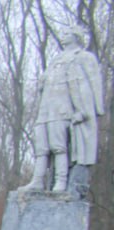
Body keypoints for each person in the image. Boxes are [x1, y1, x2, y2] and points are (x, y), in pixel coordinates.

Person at [20, 24, 105, 197]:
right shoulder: (56, 59)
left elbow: (90, 85)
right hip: (46, 109)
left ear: (76, 36)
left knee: (58, 147)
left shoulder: (83, 57)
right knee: (41, 148)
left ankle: (61, 181)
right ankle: (37, 180)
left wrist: (86, 111)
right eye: (63, 33)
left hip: (62, 109)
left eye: (67, 33)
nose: (63, 35)